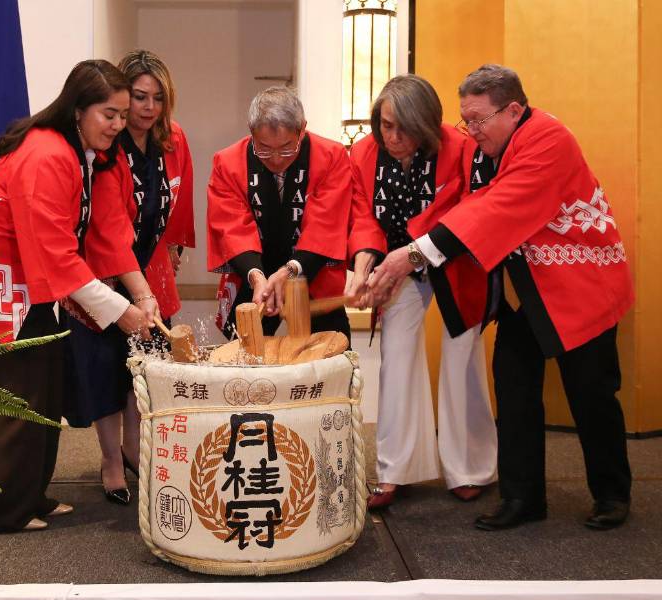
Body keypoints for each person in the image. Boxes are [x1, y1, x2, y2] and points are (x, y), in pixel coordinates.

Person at [368, 64, 633, 530]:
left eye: (478, 120)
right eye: (465, 120)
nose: (470, 131)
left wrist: (410, 255)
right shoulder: (489, 146)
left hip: (580, 287)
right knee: (515, 393)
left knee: (591, 394)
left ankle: (612, 494)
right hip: (524, 289)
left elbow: (496, 208)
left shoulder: (549, 141)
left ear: (513, 110)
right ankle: (523, 499)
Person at [0, 60, 155, 533]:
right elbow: (57, 255)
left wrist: (136, 294)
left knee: (43, 382)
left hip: (14, 272)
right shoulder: (48, 153)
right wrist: (121, 312)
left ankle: (24, 496)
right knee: (2, 392)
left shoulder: (81, 152)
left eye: (123, 114)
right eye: (110, 113)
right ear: (78, 109)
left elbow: (97, 233)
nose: (120, 124)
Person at [346, 75, 497, 510]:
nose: (393, 137)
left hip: (456, 263)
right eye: (386, 125)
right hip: (397, 267)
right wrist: (363, 267)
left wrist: (416, 252)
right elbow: (363, 217)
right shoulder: (363, 153)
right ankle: (397, 469)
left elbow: (474, 212)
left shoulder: (463, 149)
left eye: (405, 128)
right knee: (397, 355)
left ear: (429, 124)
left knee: (459, 359)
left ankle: (469, 468)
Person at [62, 49, 194, 505]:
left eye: (158, 98)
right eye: (139, 97)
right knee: (105, 373)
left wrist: (173, 251)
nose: (147, 108)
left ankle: (135, 450)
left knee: (144, 373)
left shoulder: (173, 139)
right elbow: (110, 226)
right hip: (105, 272)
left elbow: (181, 201)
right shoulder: (106, 148)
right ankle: (111, 460)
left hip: (152, 269)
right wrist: (132, 289)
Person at [207, 86, 351, 339]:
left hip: (314, 273)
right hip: (254, 280)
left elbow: (326, 225)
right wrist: (257, 277)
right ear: (251, 133)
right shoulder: (228, 163)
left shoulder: (331, 156)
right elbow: (232, 227)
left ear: (302, 129)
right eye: (264, 148)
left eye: (286, 148)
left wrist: (290, 271)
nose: (275, 159)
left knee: (333, 362)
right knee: (243, 366)